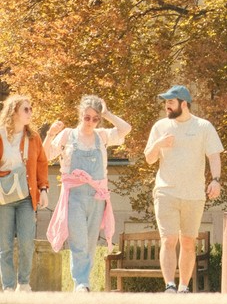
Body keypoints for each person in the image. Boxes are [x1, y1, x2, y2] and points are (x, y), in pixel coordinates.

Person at [44, 95, 131, 292]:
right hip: (74, 196)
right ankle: (80, 283)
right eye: (87, 117)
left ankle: (85, 282)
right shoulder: (68, 135)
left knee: (91, 241)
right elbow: (47, 155)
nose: (91, 122)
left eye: (95, 118)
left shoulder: (102, 136)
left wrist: (107, 113)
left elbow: (126, 129)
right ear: (80, 115)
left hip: (97, 197)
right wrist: (50, 135)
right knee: (79, 240)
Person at [144, 85, 223, 293]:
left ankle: (184, 287)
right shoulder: (160, 127)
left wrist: (216, 180)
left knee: (188, 242)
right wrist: (158, 144)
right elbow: (149, 159)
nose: (167, 106)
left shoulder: (203, 127)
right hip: (165, 191)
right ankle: (169, 285)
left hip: (194, 195)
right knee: (168, 239)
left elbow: (214, 156)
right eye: (166, 103)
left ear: (184, 104)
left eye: (171, 102)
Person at [0, 95, 49, 291]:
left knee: (27, 242)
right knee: (4, 246)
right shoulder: (1, 135)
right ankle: (9, 286)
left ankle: (24, 283)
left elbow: (41, 164)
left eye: (31, 109)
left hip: (27, 198)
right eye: (25, 109)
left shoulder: (33, 137)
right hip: (3, 197)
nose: (30, 113)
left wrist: (43, 189)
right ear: (14, 112)